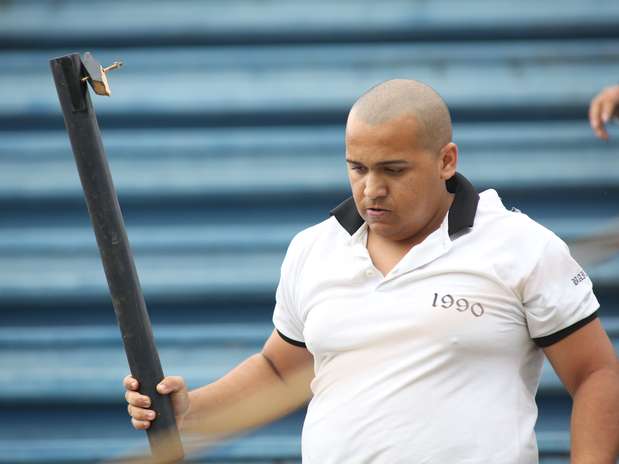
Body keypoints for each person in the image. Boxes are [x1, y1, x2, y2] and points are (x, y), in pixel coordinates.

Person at [125, 79, 619, 463]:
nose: (371, 190)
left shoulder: (521, 246)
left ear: (446, 160)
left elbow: (596, 373)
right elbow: (280, 371)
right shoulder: (314, 248)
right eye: (357, 168)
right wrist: (190, 408)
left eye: (393, 170)